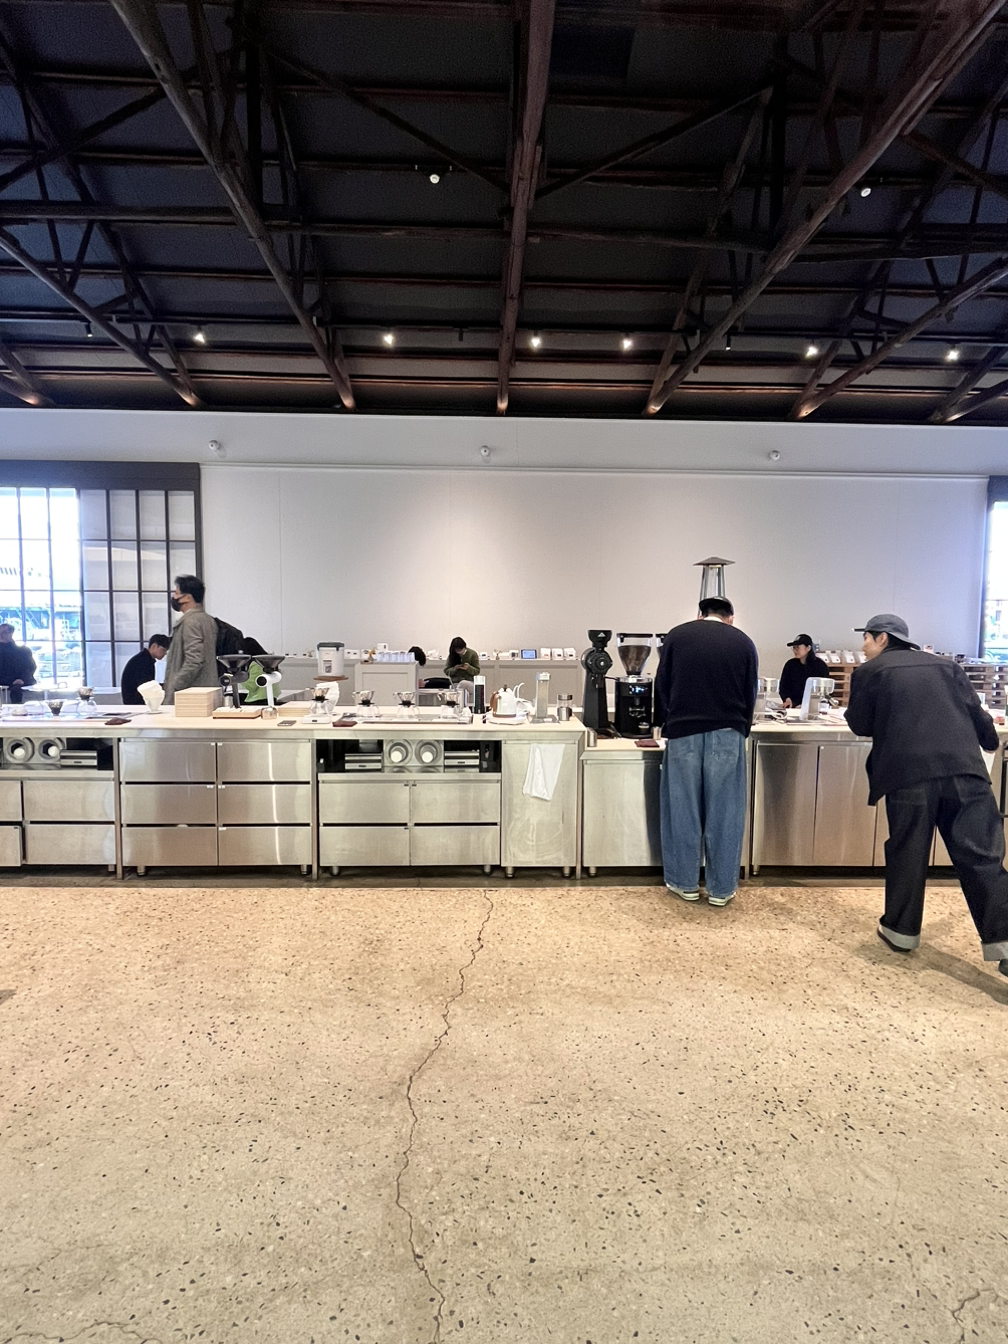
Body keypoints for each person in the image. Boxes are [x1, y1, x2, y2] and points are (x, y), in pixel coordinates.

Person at [845, 612, 1008, 979]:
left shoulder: (871, 672)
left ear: (883, 638)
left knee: (908, 851)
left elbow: (859, 724)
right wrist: (988, 742)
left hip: (908, 775)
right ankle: (1006, 942)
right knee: (982, 858)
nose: (863, 646)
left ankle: (901, 932)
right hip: (965, 773)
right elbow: (977, 714)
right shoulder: (947, 667)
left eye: (867, 638)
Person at [654, 596, 758, 906]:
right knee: (725, 812)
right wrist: (742, 729)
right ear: (730, 618)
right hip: (728, 733)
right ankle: (721, 889)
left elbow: (662, 684)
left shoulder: (677, 636)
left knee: (682, 808)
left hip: (683, 732)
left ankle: (684, 882)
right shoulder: (744, 642)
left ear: (700, 615)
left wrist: (666, 722)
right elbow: (750, 691)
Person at [162, 574, 220, 704]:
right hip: (206, 692)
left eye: (177, 593)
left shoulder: (190, 622)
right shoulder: (207, 620)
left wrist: (175, 685)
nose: (174, 597)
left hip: (189, 696)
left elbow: (194, 660)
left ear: (187, 597)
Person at [779, 633, 830, 709]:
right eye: (794, 648)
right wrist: (787, 699)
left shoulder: (820, 666)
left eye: (797, 647)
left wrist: (807, 705)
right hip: (793, 706)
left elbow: (823, 691)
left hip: (814, 707)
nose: (795, 650)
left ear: (808, 648)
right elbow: (783, 687)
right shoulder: (790, 665)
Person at [119, 634, 171, 705]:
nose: (165, 654)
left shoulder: (143, 658)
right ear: (154, 646)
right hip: (136, 703)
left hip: (134, 701)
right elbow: (146, 686)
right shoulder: (143, 662)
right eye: (164, 650)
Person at [0, 623, 36, 703]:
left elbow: (30, 667)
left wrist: (22, 679)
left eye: (4, 633)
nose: (1, 636)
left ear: (11, 633)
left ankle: (17, 708)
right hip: (3, 679)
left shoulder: (23, 651)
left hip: (19, 681)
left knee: (16, 689)